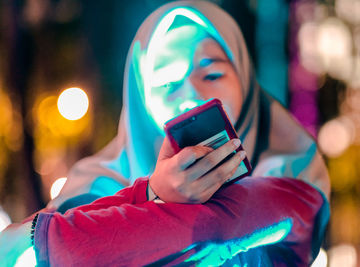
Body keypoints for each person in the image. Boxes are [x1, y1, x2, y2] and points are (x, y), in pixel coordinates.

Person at [0, 1, 330, 266]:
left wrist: (36, 237)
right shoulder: (93, 182)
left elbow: (217, 229)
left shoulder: (293, 176)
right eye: (167, 82)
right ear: (140, 98)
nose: (191, 94)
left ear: (244, 78)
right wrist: (152, 195)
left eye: (212, 73)